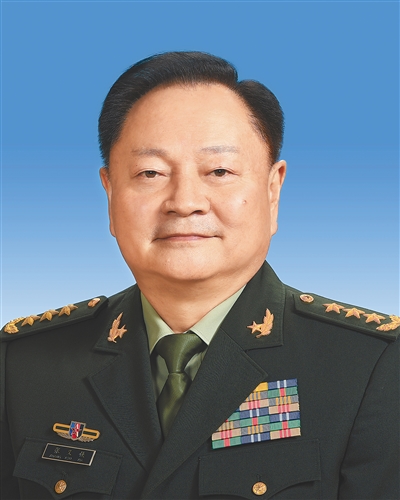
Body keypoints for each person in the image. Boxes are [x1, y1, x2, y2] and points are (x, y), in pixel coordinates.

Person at [1, 51, 399, 500]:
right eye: (151, 172)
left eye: (219, 171)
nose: (185, 201)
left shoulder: (370, 366)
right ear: (110, 193)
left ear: (273, 190)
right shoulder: (24, 364)